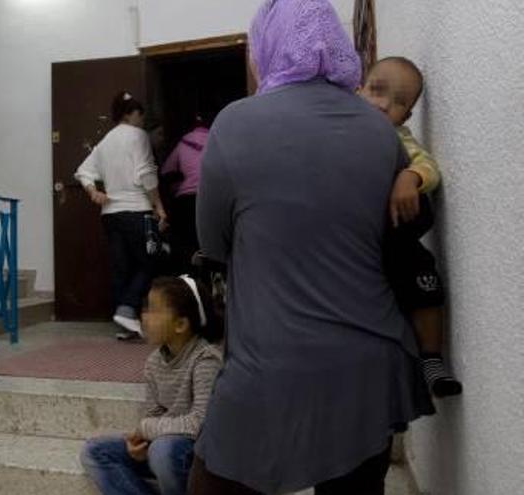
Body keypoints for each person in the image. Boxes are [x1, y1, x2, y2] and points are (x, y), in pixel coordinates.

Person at [189, 1, 434, 494]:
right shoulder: (378, 130)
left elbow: (212, 242)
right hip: (371, 361)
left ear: (269, 45)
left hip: (272, 360)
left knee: (214, 481)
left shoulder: (236, 123)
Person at [359, 57, 462, 397]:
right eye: (376, 90)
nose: (384, 105)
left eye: (399, 102)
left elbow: (429, 167)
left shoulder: (399, 139)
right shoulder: (344, 130)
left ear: (406, 117)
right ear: (358, 90)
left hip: (396, 241)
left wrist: (409, 175)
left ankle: (431, 360)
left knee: (426, 280)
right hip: (357, 245)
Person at [80, 276, 223, 495]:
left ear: (181, 324)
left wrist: (147, 431)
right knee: (95, 451)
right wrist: (142, 443)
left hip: (194, 456)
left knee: (162, 450)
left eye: (154, 310)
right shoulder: (154, 362)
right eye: (146, 308)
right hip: (162, 447)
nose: (144, 316)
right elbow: (153, 413)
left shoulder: (205, 359)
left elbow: (199, 424)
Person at [75, 91, 169, 340]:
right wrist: (159, 206)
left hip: (111, 215)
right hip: (136, 210)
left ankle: (126, 324)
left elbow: (83, 171)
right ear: (130, 114)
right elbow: (147, 175)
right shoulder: (138, 136)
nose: (141, 119)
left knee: (122, 268)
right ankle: (127, 310)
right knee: (151, 260)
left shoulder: (105, 141)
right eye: (139, 114)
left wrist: (93, 192)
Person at [161, 114, 212, 274]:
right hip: (210, 198)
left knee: (184, 238)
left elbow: (166, 170)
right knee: (210, 239)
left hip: (186, 200)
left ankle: (190, 266)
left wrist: (177, 185)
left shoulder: (183, 142)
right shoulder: (216, 140)